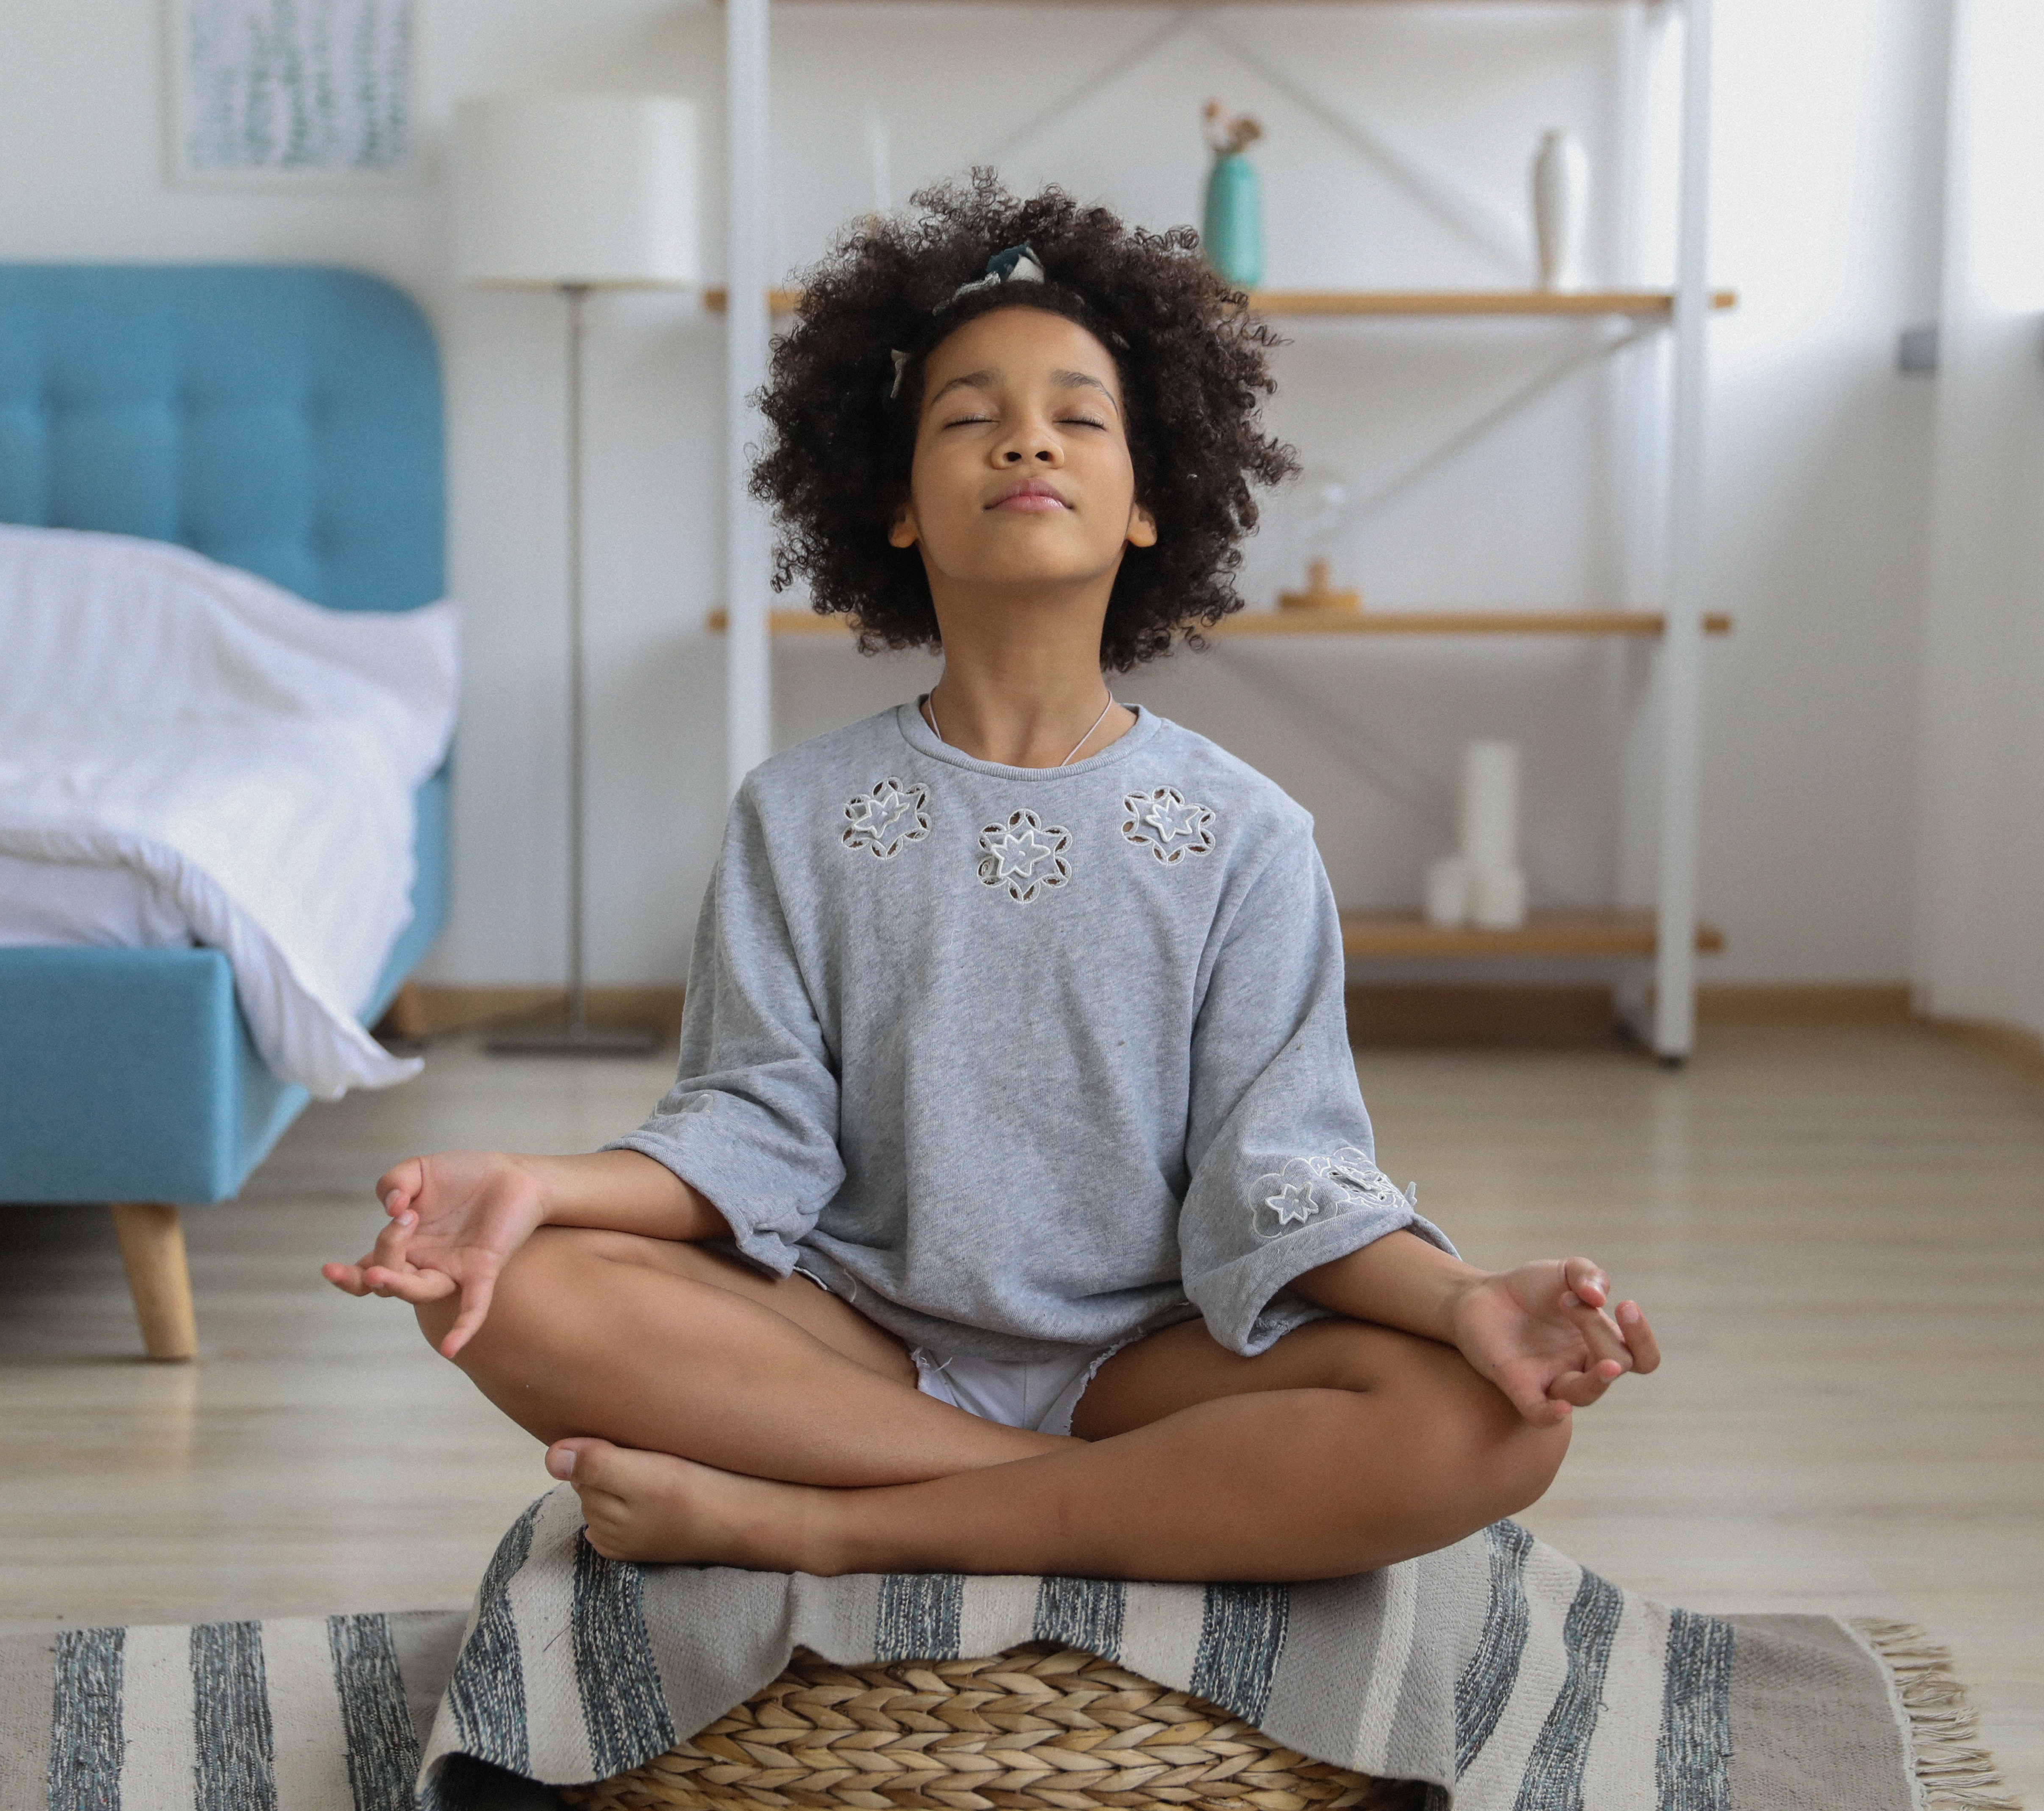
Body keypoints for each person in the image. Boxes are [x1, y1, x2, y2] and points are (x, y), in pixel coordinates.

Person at [323, 176, 1657, 1584]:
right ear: (896, 507)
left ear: (1151, 504)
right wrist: (535, 1182)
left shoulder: (1250, 834)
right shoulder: (797, 814)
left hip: (1153, 1359)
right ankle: (1126, 1506)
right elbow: (750, 1134)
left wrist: (1462, 1302)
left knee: (1491, 1428)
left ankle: (821, 1523)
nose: (1028, 435)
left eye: (1080, 416)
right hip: (853, 1343)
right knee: (509, 1289)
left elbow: (1281, 1177)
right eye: (968, 415)